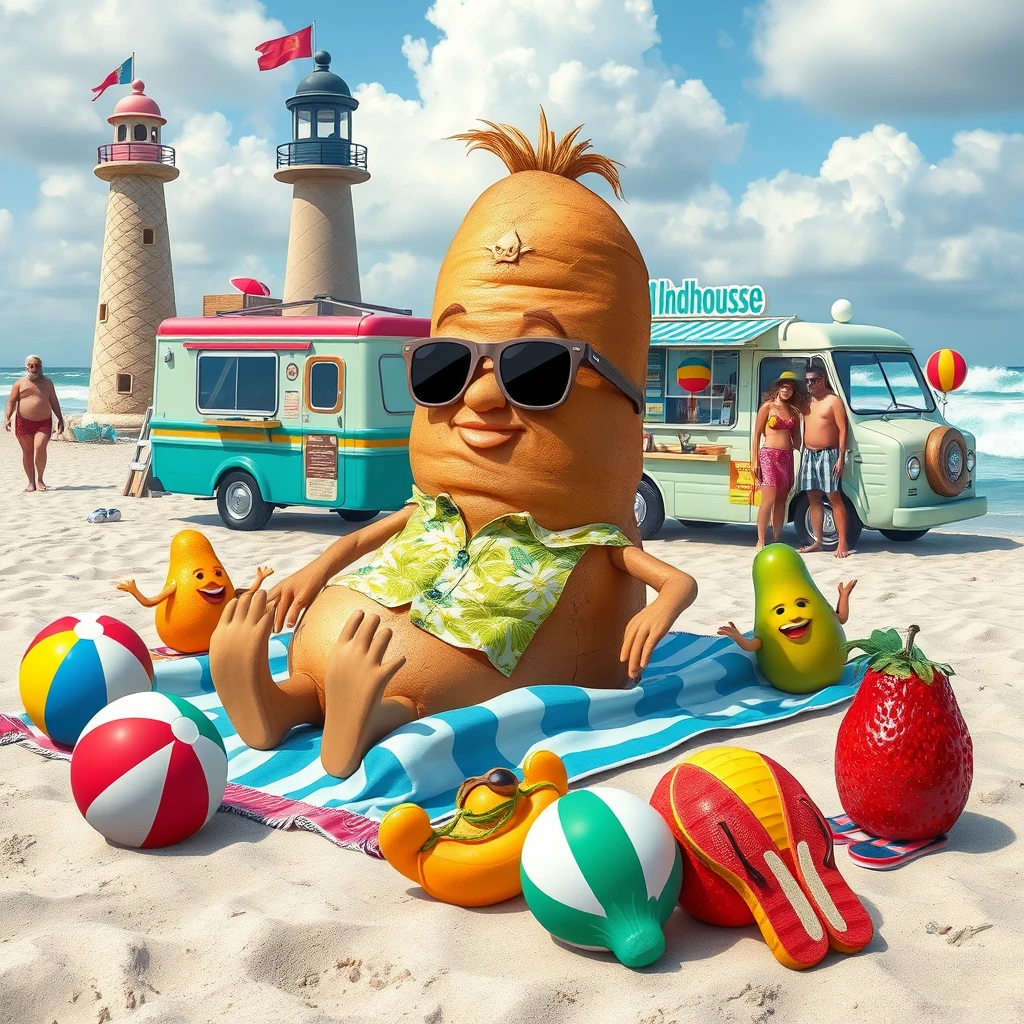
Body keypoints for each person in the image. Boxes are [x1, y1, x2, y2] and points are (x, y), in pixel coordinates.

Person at [799, 360, 851, 558]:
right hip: (809, 455)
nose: (809, 384)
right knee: (813, 497)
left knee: (834, 497)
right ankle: (818, 541)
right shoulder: (807, 402)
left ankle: (842, 542)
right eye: (807, 381)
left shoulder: (833, 401)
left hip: (828, 454)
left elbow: (842, 430)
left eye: (813, 381)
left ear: (823, 380)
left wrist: (841, 457)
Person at [751, 372, 806, 550]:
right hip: (768, 455)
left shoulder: (794, 412)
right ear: (777, 387)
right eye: (783, 386)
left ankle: (776, 537)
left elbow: (797, 441)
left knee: (782, 500)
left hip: (786, 457)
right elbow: (757, 434)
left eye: (789, 387)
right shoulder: (767, 407)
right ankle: (760, 540)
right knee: (768, 500)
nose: (786, 390)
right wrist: (755, 460)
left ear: (793, 391)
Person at [4, 355, 64, 492]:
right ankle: (31, 482)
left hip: (44, 422)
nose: (34, 368)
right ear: (27, 368)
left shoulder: (48, 383)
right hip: (23, 423)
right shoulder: (19, 383)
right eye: (31, 365)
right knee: (27, 452)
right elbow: (11, 402)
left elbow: (54, 402)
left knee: (40, 448)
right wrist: (7, 417)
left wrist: (60, 418)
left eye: (37, 365)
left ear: (41, 367)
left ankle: (40, 480)